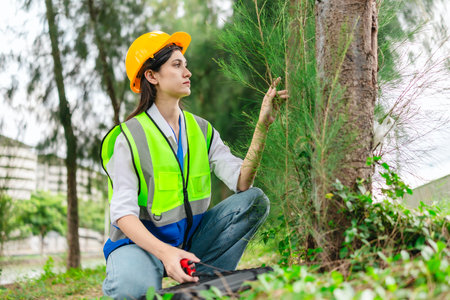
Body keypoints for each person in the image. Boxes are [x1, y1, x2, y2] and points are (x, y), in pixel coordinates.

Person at [100, 31, 288, 299]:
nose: (187, 72)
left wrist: (262, 127)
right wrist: (166, 253)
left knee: (254, 200)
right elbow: (123, 214)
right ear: (152, 76)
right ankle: (157, 276)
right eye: (177, 65)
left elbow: (242, 183)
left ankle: (203, 282)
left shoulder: (202, 130)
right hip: (140, 246)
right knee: (128, 292)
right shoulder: (128, 138)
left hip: (192, 244)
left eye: (185, 65)